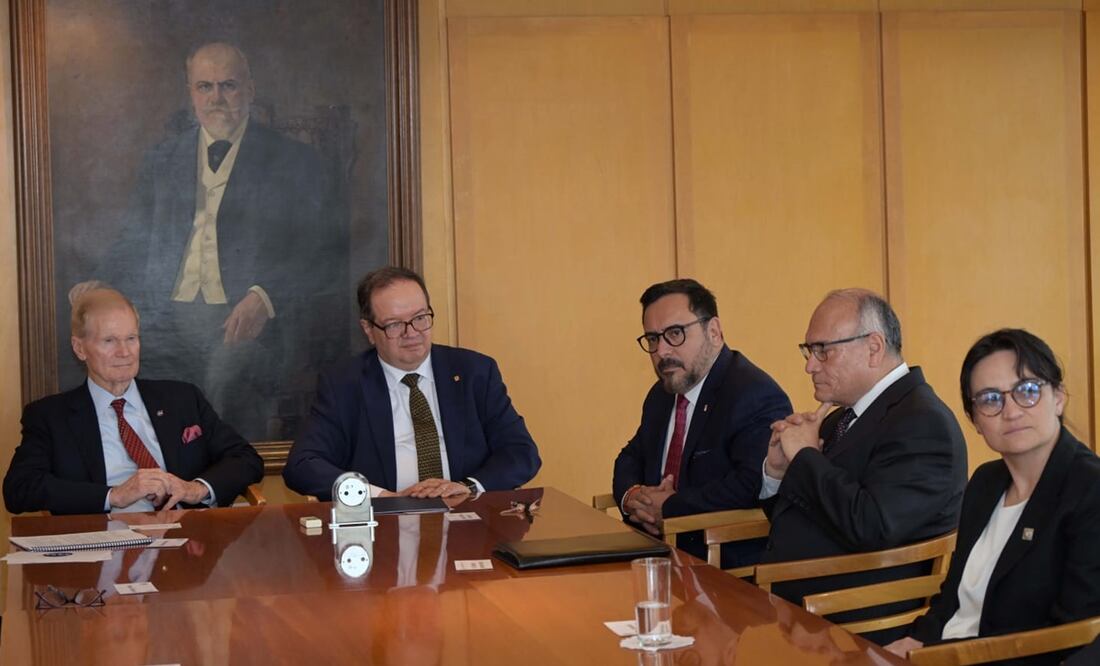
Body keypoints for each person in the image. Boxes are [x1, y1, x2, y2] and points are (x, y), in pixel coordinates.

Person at [69, 41, 344, 441]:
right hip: (164, 320)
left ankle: (222, 490)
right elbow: (133, 239)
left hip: (245, 323)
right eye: (204, 87)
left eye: (228, 86)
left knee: (227, 378)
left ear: (250, 89)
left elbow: (322, 253)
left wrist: (266, 296)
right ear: (190, 93)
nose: (216, 98)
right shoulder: (162, 159)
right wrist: (96, 284)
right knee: (118, 370)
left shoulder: (294, 161)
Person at [761, 288, 967, 644]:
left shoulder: (923, 422)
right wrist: (777, 473)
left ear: (873, 347)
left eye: (823, 350)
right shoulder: (841, 417)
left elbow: (873, 525)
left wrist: (806, 458)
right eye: (809, 351)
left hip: (851, 619)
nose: (810, 365)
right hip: (793, 604)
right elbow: (795, 512)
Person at [886, 329, 1100, 664]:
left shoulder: (1089, 489)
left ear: (1058, 397)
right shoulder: (985, 483)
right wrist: (914, 640)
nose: (1010, 411)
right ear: (974, 421)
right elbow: (953, 596)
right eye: (989, 399)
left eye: (1027, 391)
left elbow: (1074, 633)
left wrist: (936, 656)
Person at [282, 266, 540, 499]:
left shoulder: (475, 372)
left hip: (467, 517)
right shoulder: (344, 384)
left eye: (420, 318)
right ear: (369, 330)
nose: (412, 333)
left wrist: (468, 487)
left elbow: (521, 452)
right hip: (384, 527)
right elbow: (302, 465)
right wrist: (380, 497)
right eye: (394, 325)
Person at [3, 288, 263, 514]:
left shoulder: (182, 399)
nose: (124, 352)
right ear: (79, 348)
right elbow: (19, 489)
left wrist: (194, 490)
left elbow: (246, 459)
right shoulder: (50, 416)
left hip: (186, 543)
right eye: (109, 341)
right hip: (102, 549)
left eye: (131, 339)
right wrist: (113, 495)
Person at [612, 279, 792, 567]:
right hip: (656, 554)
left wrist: (669, 508)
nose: (661, 352)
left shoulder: (753, 393)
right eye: (653, 339)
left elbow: (750, 484)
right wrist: (632, 496)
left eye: (675, 333)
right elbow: (631, 456)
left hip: (721, 564)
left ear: (714, 331)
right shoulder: (662, 394)